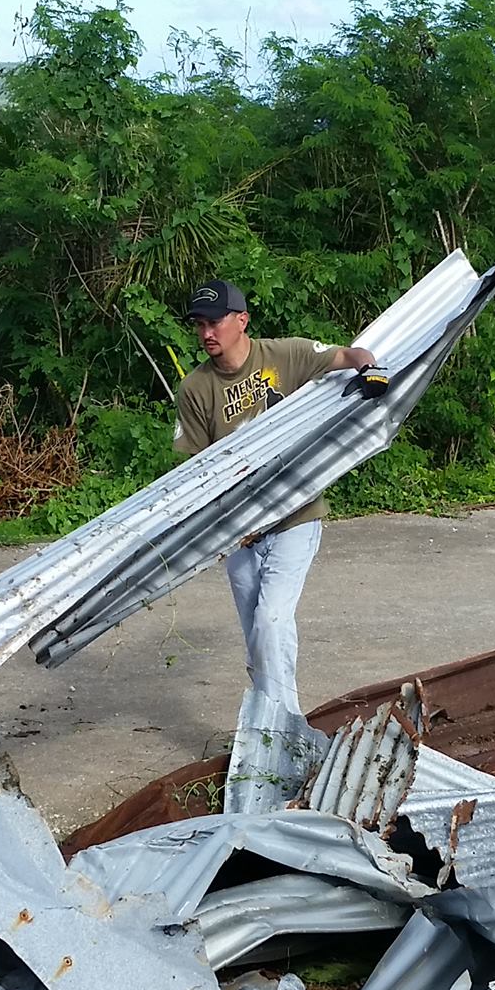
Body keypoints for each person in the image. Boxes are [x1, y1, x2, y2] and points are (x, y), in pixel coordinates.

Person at [172, 279, 385, 715]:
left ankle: (283, 728)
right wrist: (225, 529)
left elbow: (348, 355)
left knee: (271, 623)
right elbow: (194, 471)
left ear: (241, 320)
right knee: (258, 638)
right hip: (239, 532)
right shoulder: (196, 389)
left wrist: (371, 370)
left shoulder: (285, 355)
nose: (206, 333)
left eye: (214, 322)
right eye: (199, 325)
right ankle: (270, 722)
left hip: (295, 515)